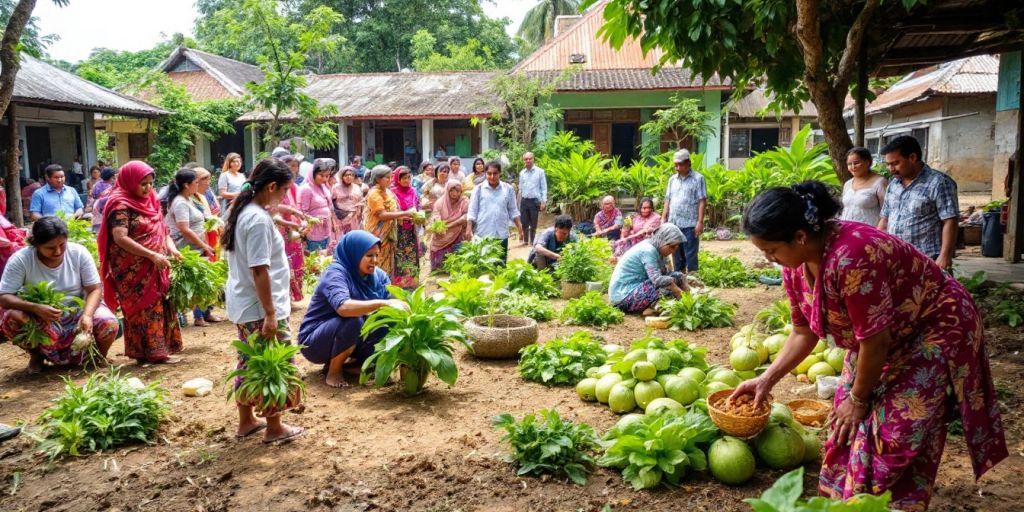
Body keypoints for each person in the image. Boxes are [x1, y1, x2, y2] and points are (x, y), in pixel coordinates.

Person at [731, 181, 1007, 511]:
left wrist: (859, 398)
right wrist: (767, 379)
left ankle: (891, 503)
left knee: (897, 431)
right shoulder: (795, 266)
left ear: (800, 237)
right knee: (844, 421)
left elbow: (876, 342)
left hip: (932, 328)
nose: (769, 259)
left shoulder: (853, 257)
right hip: (879, 338)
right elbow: (804, 333)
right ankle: (848, 499)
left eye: (772, 251)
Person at [221, 158, 304, 444]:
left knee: (249, 361)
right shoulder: (256, 219)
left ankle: (246, 421)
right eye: (283, 191)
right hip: (260, 306)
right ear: (270, 186)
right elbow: (259, 269)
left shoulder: (244, 210)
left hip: (245, 302)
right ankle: (274, 426)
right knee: (272, 364)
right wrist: (270, 313)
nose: (284, 197)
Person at [0, 217, 119, 373]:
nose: (57, 251)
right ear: (36, 244)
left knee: (108, 323)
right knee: (12, 319)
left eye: (62, 245)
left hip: (78, 311)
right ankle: (36, 356)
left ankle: (98, 357)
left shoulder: (78, 253)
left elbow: (95, 289)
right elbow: (4, 296)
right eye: (50, 248)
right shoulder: (21, 260)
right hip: (41, 316)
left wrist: (88, 315)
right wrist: (35, 308)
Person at [298, 230, 410, 387]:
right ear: (355, 254)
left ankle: (351, 366)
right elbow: (343, 308)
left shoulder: (379, 277)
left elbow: (393, 304)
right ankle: (334, 372)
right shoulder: (336, 273)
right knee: (353, 320)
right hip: (316, 341)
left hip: (351, 335)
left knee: (387, 323)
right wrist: (382, 303)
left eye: (377, 255)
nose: (375, 261)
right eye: (369, 256)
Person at [99, 161, 183, 365]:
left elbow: (162, 229)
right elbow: (120, 238)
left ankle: (162, 349)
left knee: (161, 303)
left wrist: (171, 248)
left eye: (150, 183)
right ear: (129, 182)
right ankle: (147, 352)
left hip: (157, 264)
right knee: (143, 307)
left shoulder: (151, 200)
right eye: (142, 184)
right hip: (132, 267)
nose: (147, 188)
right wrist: (151, 255)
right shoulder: (120, 204)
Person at [877, 135, 959, 269]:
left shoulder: (939, 182)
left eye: (895, 163)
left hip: (927, 258)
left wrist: (945, 255)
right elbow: (885, 219)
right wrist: (877, 246)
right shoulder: (894, 184)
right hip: (896, 257)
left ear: (912, 157)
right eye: (888, 164)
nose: (891, 169)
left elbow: (950, 220)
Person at [164, 168, 221, 327]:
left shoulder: (189, 199)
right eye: (196, 182)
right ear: (187, 185)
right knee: (196, 282)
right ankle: (198, 317)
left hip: (196, 246)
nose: (199, 185)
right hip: (187, 248)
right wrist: (203, 244)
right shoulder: (180, 202)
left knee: (203, 280)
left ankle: (205, 313)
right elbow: (184, 229)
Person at [608, 224, 688, 315]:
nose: (673, 251)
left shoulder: (658, 249)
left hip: (637, 287)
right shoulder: (648, 251)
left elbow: (667, 273)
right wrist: (680, 293)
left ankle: (684, 300)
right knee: (663, 286)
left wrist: (687, 293)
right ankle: (658, 308)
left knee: (678, 276)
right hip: (622, 297)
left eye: (676, 248)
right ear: (662, 241)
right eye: (671, 247)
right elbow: (657, 280)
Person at [467, 161, 524, 263]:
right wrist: (468, 228)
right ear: (485, 173)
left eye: (495, 173)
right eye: (489, 173)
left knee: (500, 264)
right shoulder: (479, 189)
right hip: (483, 233)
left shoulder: (508, 189)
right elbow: (472, 210)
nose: (492, 176)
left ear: (500, 173)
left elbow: (513, 210)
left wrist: (520, 227)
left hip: (501, 233)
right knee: (484, 266)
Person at [272, 155, 309, 303]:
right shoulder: (276, 184)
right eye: (291, 166)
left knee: (295, 258)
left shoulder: (294, 185)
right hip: (279, 224)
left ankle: (293, 294)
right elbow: (272, 205)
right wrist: (292, 212)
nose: (294, 169)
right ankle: (283, 295)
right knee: (282, 260)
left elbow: (297, 204)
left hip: (292, 225)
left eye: (296, 166)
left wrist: (300, 219)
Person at [662, 149, 706, 274]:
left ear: (688, 163)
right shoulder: (672, 180)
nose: (677, 167)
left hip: (690, 223)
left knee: (690, 253)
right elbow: (667, 199)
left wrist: (700, 222)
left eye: (680, 164)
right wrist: (663, 218)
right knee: (675, 253)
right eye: (675, 165)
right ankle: (679, 278)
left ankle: (693, 279)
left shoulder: (698, 179)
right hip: (674, 223)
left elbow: (702, 200)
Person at [364, 165, 413, 276]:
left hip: (389, 233)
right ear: (378, 179)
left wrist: (409, 217)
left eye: (391, 177)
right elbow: (381, 215)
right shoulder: (374, 194)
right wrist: (405, 213)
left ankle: (386, 284)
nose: (390, 180)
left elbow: (394, 211)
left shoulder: (388, 192)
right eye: (387, 177)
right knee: (377, 258)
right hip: (378, 232)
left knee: (388, 260)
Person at [389, 166, 422, 289]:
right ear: (398, 179)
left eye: (408, 178)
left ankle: (412, 281)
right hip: (399, 229)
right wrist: (403, 215)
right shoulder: (392, 192)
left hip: (411, 228)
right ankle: (401, 282)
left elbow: (418, 206)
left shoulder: (413, 191)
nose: (407, 181)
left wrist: (418, 215)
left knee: (412, 254)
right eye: (403, 178)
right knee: (400, 254)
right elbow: (392, 210)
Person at [840, 147, 887, 227]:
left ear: (868, 162)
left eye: (856, 163)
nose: (853, 166)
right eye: (849, 164)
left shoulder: (880, 182)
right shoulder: (848, 184)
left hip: (869, 233)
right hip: (847, 231)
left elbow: (886, 213)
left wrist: (878, 233)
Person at [427, 181, 469, 271]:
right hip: (442, 234)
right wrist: (439, 226)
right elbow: (435, 216)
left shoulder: (464, 201)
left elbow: (465, 217)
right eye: (452, 191)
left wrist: (450, 225)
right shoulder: (440, 203)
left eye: (458, 191)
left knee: (457, 262)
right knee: (440, 268)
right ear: (447, 191)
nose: (455, 193)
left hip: (457, 233)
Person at [298, 159, 336, 253]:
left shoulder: (324, 187)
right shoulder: (306, 189)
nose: (324, 179)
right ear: (313, 174)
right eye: (321, 175)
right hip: (313, 231)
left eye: (327, 176)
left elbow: (329, 206)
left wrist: (333, 222)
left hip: (326, 229)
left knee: (325, 256)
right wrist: (314, 220)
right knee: (315, 258)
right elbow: (302, 212)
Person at [517, 152, 547, 247]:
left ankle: (532, 241)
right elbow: (520, 189)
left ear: (533, 159)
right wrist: (518, 202)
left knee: (533, 222)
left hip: (535, 201)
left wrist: (543, 201)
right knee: (524, 221)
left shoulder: (540, 172)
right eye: (526, 159)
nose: (528, 161)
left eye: (530, 159)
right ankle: (525, 241)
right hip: (524, 201)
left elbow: (544, 188)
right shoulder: (522, 173)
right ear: (524, 161)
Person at [333, 166, 366, 237]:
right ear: (342, 176)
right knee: (342, 237)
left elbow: (361, 201)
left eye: (351, 175)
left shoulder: (356, 187)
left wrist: (359, 212)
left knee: (353, 237)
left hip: (354, 217)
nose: (349, 177)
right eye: (346, 175)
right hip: (341, 217)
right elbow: (332, 202)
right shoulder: (336, 187)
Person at [89, 167, 117, 234]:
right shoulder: (112, 186)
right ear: (112, 176)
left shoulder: (96, 184)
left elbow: (94, 195)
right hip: (107, 212)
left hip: (97, 211)